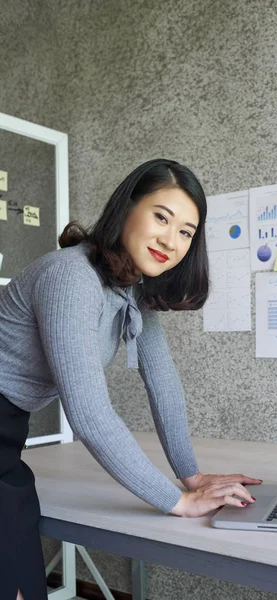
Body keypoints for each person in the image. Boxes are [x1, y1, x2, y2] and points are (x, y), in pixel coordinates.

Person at [0, 158, 262, 600]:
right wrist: (176, 501)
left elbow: (162, 382)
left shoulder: (128, 288)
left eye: (185, 231)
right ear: (126, 209)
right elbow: (89, 414)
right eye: (161, 217)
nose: (171, 240)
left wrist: (191, 476)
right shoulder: (71, 277)